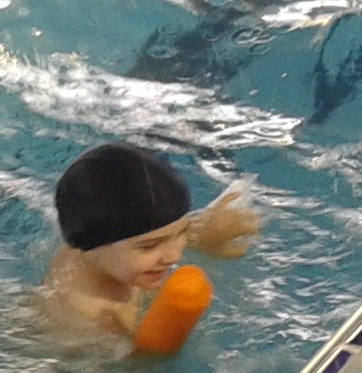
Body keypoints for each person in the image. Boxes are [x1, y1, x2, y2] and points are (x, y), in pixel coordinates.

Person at [40, 141, 258, 339]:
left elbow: (148, 230)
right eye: (149, 247)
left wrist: (205, 236)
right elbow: (137, 367)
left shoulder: (97, 247)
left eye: (182, 232)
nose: (174, 256)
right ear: (91, 246)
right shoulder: (94, 321)